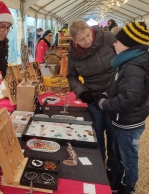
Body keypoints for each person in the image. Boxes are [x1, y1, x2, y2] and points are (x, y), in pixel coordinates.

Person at [96, 20, 149, 194]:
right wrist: (106, 94)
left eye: (117, 41)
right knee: (119, 153)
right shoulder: (126, 63)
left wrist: (105, 104)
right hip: (122, 121)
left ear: (128, 45)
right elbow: (119, 87)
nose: (114, 43)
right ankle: (118, 182)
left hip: (128, 123)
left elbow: (128, 99)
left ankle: (129, 187)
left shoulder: (133, 67)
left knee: (129, 158)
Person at [66, 20, 117, 185]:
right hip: (93, 97)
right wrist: (82, 92)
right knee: (97, 134)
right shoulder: (73, 54)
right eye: (81, 39)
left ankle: (114, 172)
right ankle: (99, 171)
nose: (87, 40)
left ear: (91, 30)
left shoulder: (108, 38)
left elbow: (123, 59)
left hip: (114, 94)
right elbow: (71, 76)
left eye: (88, 35)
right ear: (74, 41)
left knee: (113, 133)